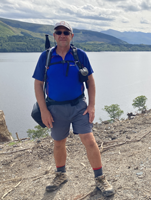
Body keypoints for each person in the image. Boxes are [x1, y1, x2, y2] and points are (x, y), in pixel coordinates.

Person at [32, 21, 114, 197]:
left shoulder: (80, 55)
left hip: (78, 106)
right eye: (58, 32)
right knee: (59, 142)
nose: (62, 35)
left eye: (66, 32)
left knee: (89, 140)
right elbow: (38, 85)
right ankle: (61, 174)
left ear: (71, 36)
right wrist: (44, 110)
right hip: (54, 108)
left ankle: (100, 179)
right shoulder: (45, 57)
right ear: (54, 36)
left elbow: (90, 81)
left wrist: (91, 106)